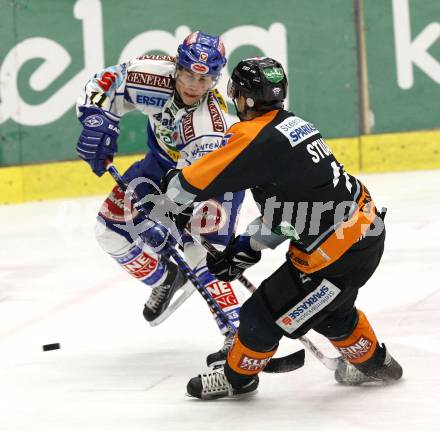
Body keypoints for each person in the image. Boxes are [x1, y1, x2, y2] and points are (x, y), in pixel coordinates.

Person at [159, 57, 403, 400]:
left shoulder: (250, 137)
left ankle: (237, 378)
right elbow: (292, 212)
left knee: (259, 316)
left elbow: (183, 188)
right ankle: (376, 364)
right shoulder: (294, 125)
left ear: (244, 99)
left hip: (334, 257)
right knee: (332, 313)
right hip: (363, 234)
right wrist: (245, 248)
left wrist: (169, 186)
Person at [75, 31, 245, 364]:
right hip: (161, 163)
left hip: (215, 180)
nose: (195, 85)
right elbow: (104, 83)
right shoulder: (149, 74)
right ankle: (167, 277)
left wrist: (173, 214)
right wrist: (97, 121)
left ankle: (237, 335)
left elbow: (198, 181)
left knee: (201, 253)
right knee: (109, 231)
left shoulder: (210, 125)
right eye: (188, 74)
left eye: (205, 78)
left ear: (215, 79)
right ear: (176, 66)